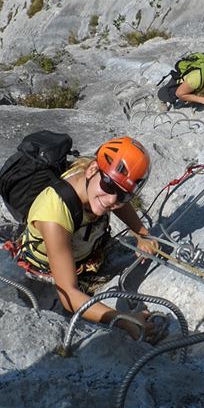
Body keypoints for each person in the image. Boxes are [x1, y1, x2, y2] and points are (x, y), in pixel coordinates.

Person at [17, 136, 162, 342]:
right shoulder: (54, 215)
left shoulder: (92, 181)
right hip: (51, 273)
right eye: (109, 186)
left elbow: (115, 195)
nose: (112, 200)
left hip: (85, 257)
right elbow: (68, 295)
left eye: (123, 195)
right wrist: (123, 319)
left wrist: (141, 233)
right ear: (93, 169)